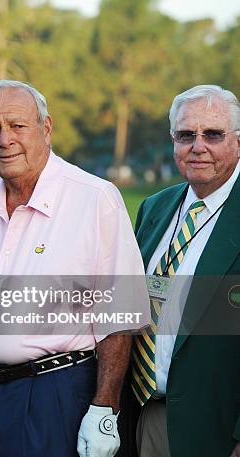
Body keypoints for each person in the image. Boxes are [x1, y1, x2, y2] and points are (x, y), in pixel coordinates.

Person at [0, 80, 150, 457]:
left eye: (18, 126)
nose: (4, 140)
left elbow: (120, 314)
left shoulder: (93, 198)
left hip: (58, 394)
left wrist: (105, 409)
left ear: (46, 128)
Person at [124, 84, 240, 457]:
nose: (198, 146)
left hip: (217, 428)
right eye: (186, 134)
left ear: (238, 141)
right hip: (143, 415)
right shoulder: (154, 208)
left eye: (213, 134)